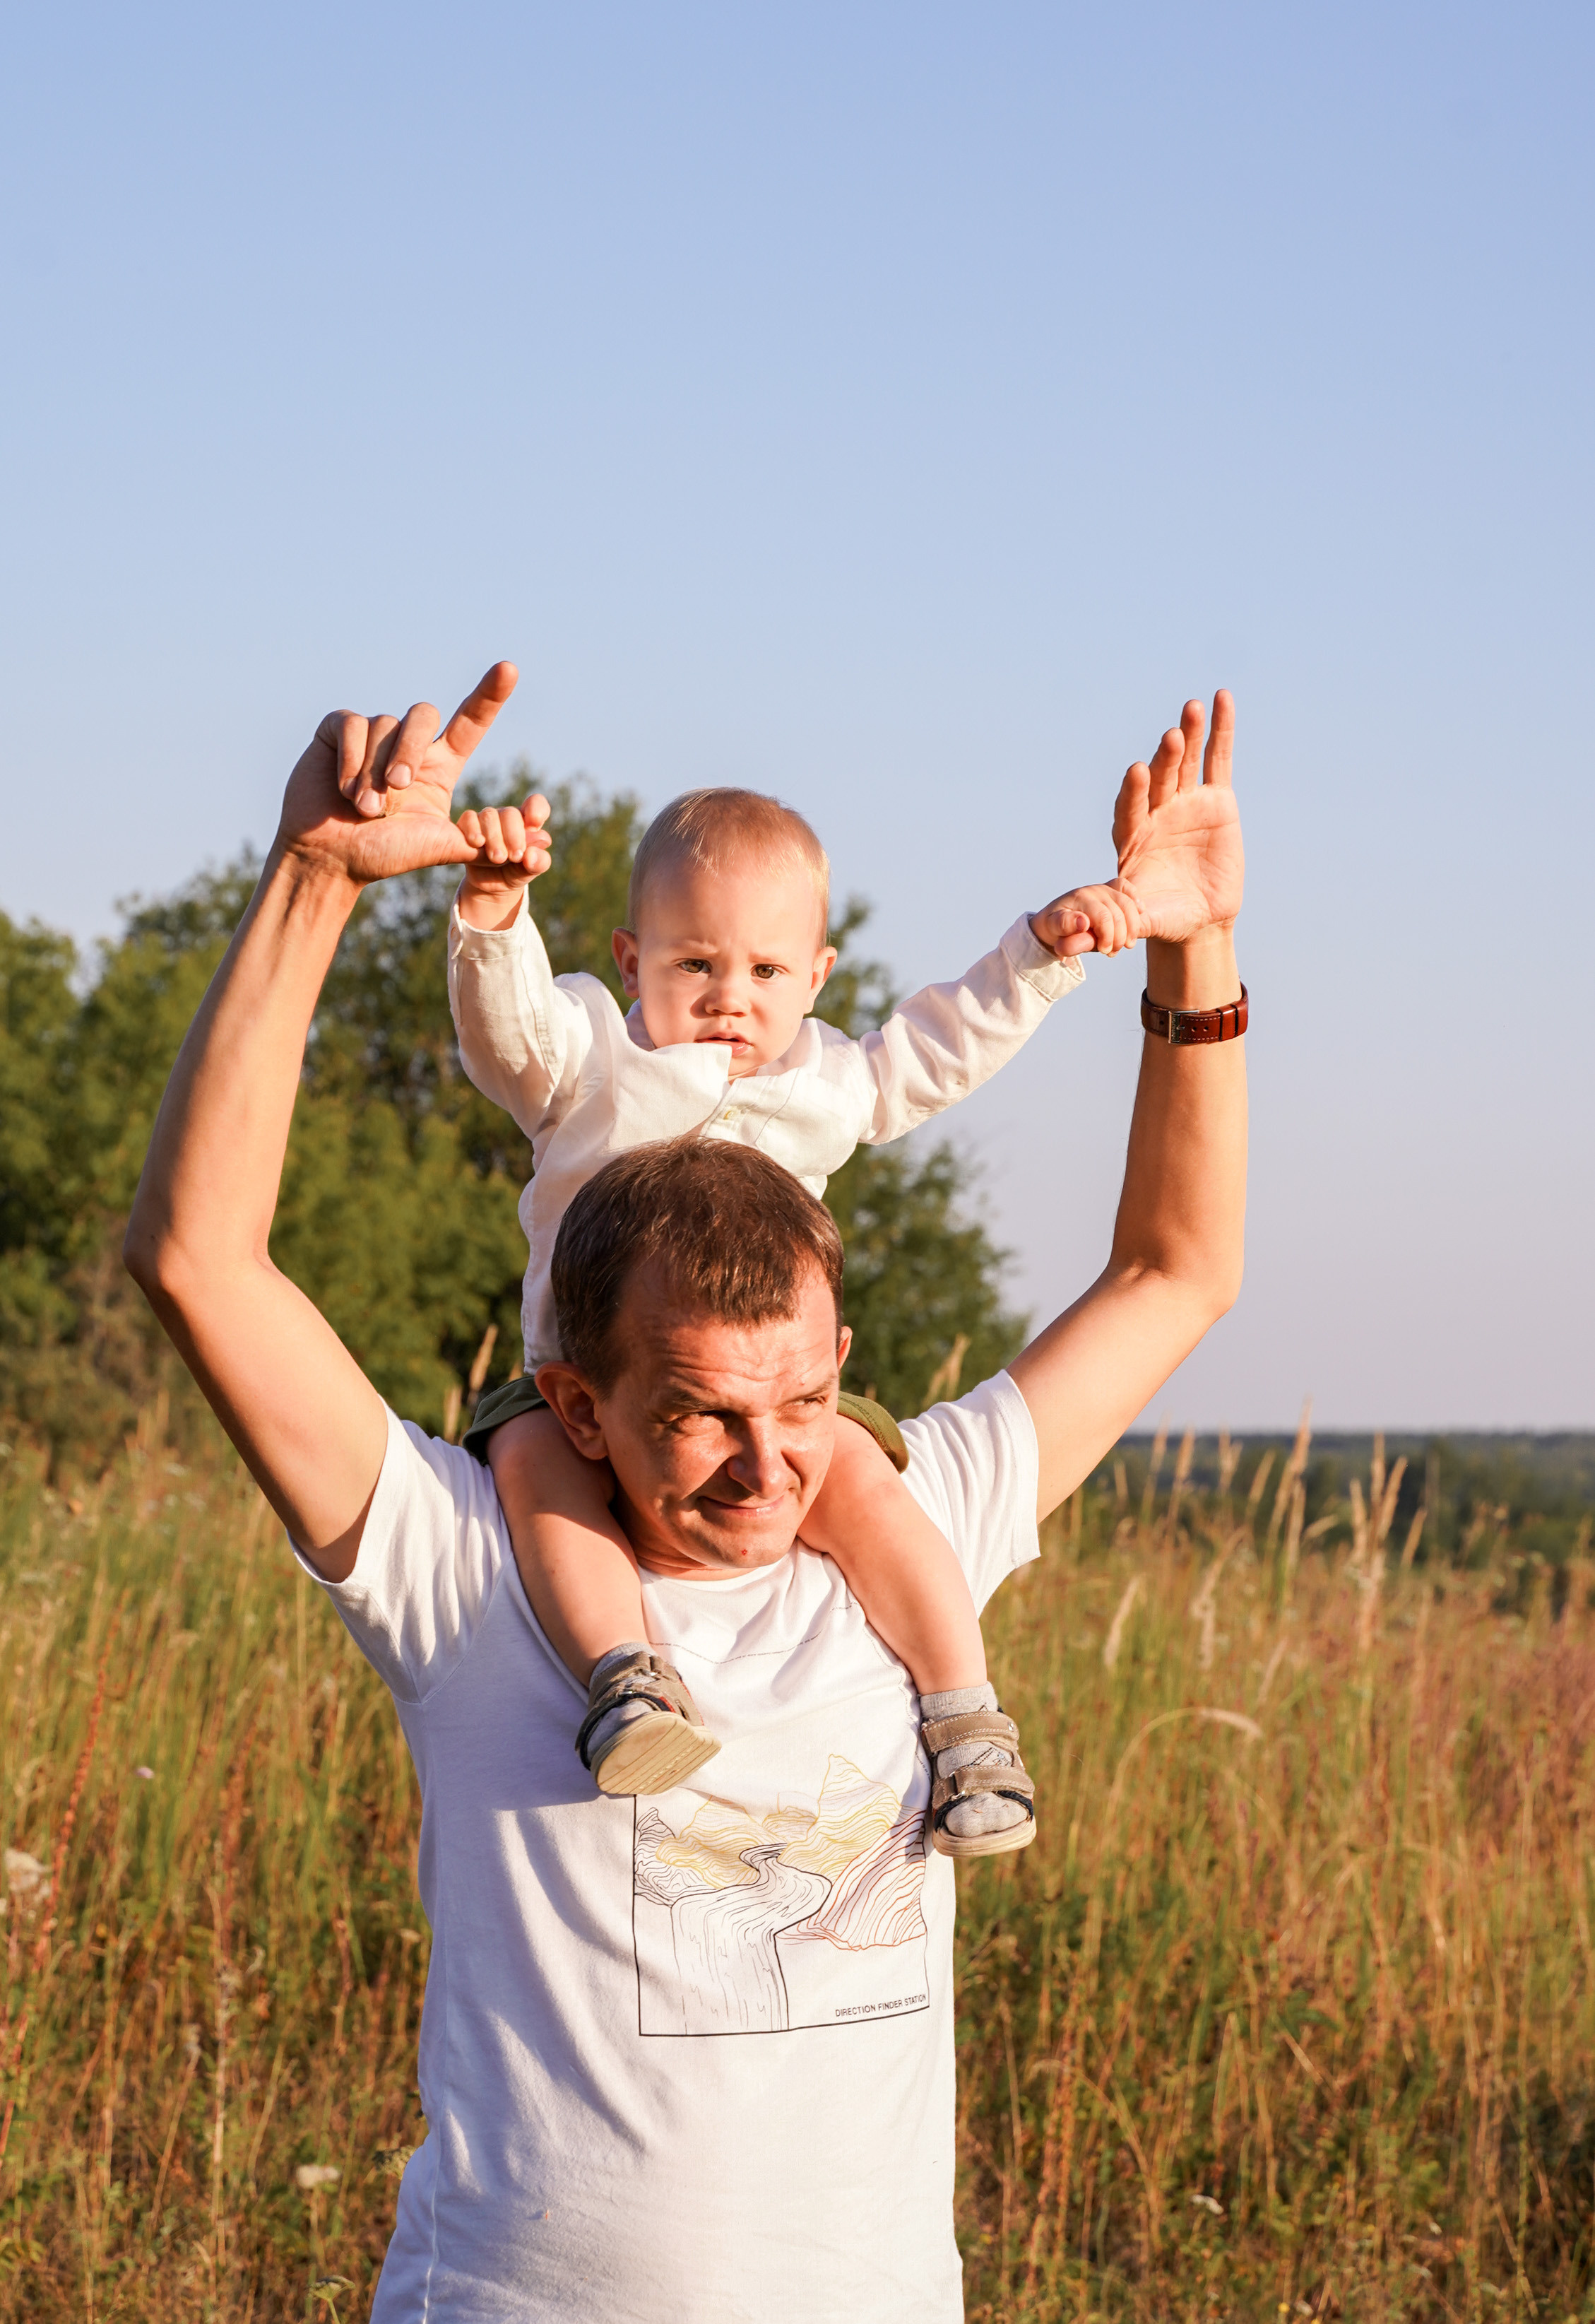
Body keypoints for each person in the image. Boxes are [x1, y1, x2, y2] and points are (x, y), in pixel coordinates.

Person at [124, 661, 1247, 2322]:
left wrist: (1192, 943)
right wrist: (310, 884)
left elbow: (1174, 1270)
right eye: (702, 1416)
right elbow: (199, 1261)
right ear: (577, 1403)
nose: (769, 1461)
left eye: (802, 1400)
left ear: (842, 1353)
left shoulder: (900, 1515)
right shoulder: (475, 1560)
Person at [444, 774, 1150, 1856]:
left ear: (816, 976)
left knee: (868, 1487)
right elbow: (507, 1034)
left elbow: (936, 1046)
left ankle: (966, 1721)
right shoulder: (591, 1057)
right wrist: (495, 917)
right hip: (577, 1382)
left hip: (766, 1389)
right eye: (695, 965)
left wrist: (1040, 958)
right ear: (633, 963)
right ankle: (627, 1684)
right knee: (536, 1472)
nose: (731, 997)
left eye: (767, 971)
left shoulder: (824, 1079)